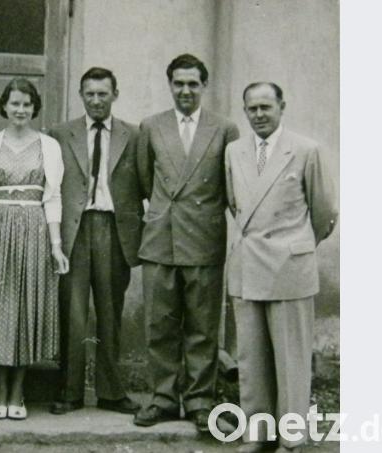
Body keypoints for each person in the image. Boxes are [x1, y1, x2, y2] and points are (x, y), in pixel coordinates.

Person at [225, 82, 337, 453]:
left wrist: (297, 247)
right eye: (251, 109)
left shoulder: (306, 150)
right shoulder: (234, 151)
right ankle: (257, 434)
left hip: (289, 267)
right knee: (251, 359)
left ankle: (291, 437)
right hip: (248, 265)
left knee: (291, 361)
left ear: (281, 107)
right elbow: (235, 204)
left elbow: (324, 212)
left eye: (265, 108)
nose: (258, 115)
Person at [133, 54, 240, 432]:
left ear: (204, 86)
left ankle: (199, 401)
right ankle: (162, 398)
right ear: (170, 85)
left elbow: (231, 186)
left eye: (193, 83)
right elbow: (146, 181)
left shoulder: (224, 129)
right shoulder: (151, 126)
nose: (185, 91)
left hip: (204, 240)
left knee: (202, 326)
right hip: (161, 239)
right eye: (178, 83)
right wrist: (167, 212)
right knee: (159, 325)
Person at [0, 78, 70, 420]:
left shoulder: (49, 146)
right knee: (1, 308)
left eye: (27, 104)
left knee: (28, 306)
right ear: (4, 106)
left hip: (34, 230)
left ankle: (18, 391)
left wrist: (56, 245)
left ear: (35, 107)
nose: (20, 110)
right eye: (14, 103)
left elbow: (53, 197)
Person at [48, 67, 143, 416]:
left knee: (109, 312)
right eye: (90, 93)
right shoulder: (61, 133)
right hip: (76, 229)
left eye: (103, 93)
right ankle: (70, 391)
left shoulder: (133, 135)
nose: (96, 100)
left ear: (115, 94)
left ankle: (111, 392)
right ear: (81, 95)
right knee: (72, 313)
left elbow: (145, 183)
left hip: (114, 229)